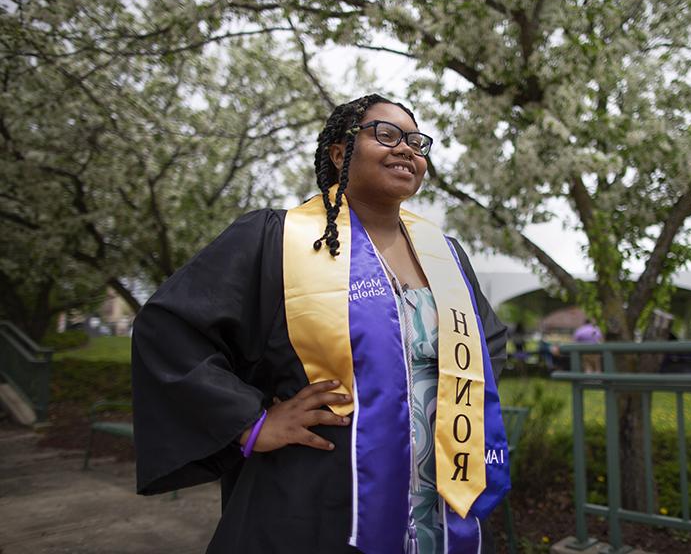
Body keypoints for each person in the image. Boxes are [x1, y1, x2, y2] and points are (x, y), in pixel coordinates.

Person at [131, 94, 511, 554]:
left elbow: (487, 346)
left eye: (416, 141)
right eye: (386, 135)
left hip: (438, 493)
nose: (406, 149)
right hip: (323, 491)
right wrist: (249, 424)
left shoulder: (445, 255)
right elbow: (171, 329)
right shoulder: (278, 238)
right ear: (338, 153)